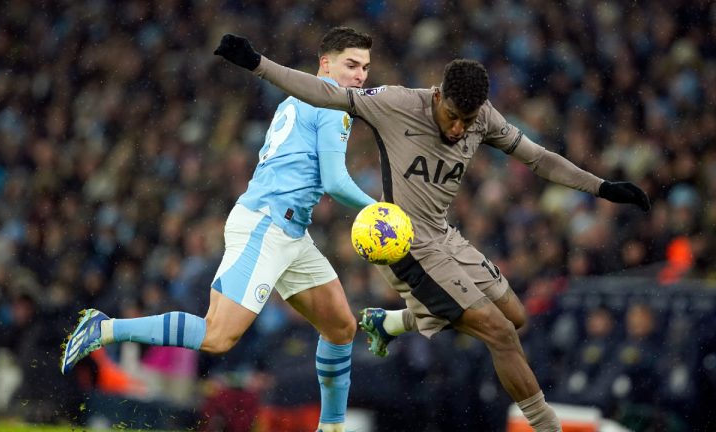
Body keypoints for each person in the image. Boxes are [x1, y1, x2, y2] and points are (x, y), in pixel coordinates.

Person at [212, 33, 651, 432]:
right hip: (405, 245)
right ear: (439, 95)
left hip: (445, 236)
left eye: (468, 120)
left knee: (516, 318)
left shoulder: (483, 119)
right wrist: (258, 64)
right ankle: (548, 427)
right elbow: (323, 93)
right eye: (454, 117)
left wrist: (602, 187)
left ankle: (392, 322)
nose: (460, 128)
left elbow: (538, 158)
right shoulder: (397, 103)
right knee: (501, 333)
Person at [61, 27, 376, 432]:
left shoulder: (300, 97)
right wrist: (383, 211)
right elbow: (334, 181)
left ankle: (330, 427)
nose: (360, 76)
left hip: (291, 233)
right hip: (267, 226)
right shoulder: (331, 105)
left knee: (341, 326)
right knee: (217, 336)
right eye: (352, 65)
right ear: (325, 64)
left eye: (366, 68)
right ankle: (104, 328)